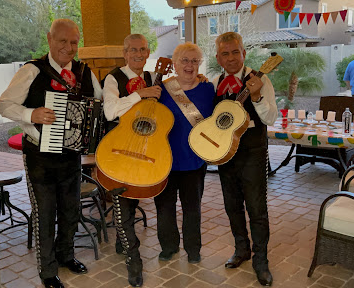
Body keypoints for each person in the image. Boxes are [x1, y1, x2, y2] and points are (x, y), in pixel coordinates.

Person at [0, 19, 102, 288]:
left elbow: (101, 105)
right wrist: (31, 114)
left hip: (71, 156)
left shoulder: (84, 73)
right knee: (45, 214)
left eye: (74, 42)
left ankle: (66, 256)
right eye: (62, 41)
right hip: (40, 158)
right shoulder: (32, 70)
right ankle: (47, 271)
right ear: (49, 39)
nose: (68, 47)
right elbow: (4, 104)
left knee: (70, 210)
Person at [212, 32, 277, 286]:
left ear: (244, 53)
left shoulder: (260, 79)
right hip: (226, 153)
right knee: (232, 205)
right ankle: (242, 249)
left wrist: (257, 97)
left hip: (252, 150)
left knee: (256, 208)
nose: (231, 58)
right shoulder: (216, 82)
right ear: (218, 57)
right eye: (225, 54)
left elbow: (270, 118)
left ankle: (261, 260)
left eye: (235, 52)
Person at [102, 33, 162, 287]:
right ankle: (133, 257)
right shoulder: (113, 78)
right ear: (125, 54)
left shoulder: (151, 77)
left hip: (142, 144)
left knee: (132, 196)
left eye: (143, 50)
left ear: (148, 53)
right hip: (117, 146)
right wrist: (141, 94)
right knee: (122, 198)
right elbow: (110, 111)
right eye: (133, 50)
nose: (138, 54)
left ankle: (121, 240)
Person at [155, 42, 214, 264]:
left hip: (194, 160)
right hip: (164, 159)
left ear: (199, 64)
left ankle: (193, 249)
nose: (189, 65)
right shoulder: (161, 88)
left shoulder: (209, 89)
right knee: (164, 208)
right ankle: (168, 247)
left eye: (194, 61)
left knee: (192, 208)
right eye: (185, 60)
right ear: (175, 64)